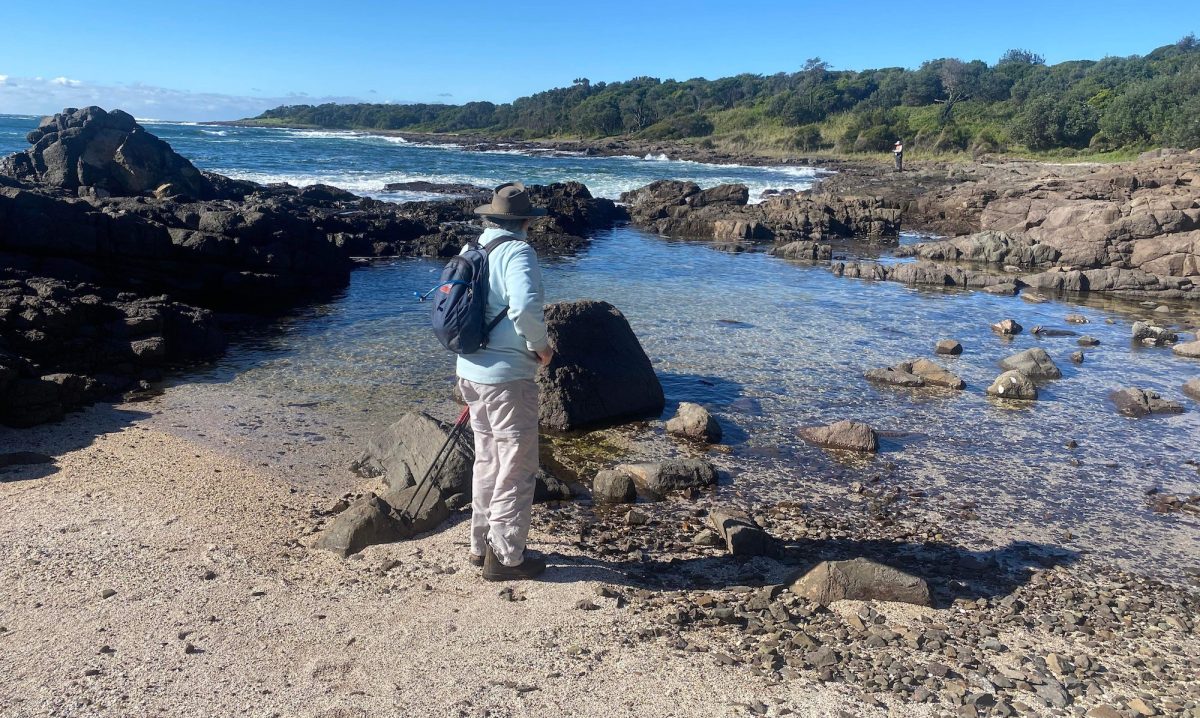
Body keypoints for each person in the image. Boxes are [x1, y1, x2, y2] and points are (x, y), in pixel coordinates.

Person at [457, 182, 554, 581]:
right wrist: (542, 346)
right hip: (507, 378)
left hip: (469, 371)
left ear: (491, 217)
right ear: (526, 221)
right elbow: (526, 307)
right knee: (516, 465)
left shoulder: (471, 251)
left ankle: (481, 546)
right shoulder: (517, 251)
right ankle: (508, 557)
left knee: (488, 458)